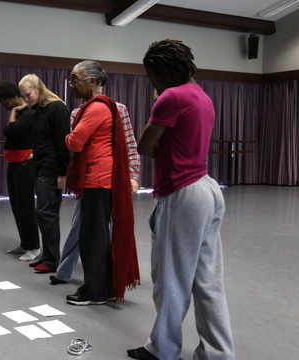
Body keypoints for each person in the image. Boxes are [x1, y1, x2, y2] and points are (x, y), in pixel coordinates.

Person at [127, 39, 235, 360]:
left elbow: (145, 147)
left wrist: (161, 100)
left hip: (182, 192)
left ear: (161, 73)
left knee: (171, 278)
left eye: (151, 78)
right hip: (207, 188)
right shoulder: (202, 95)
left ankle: (162, 350)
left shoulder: (170, 98)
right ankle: (219, 353)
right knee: (208, 281)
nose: (152, 84)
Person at [51, 75, 141, 285]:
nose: (72, 85)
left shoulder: (119, 109)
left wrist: (133, 175)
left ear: (92, 82)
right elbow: (76, 148)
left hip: (111, 177)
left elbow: (129, 144)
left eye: (76, 80)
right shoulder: (77, 112)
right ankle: (66, 272)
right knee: (81, 226)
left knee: (110, 229)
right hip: (89, 178)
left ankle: (110, 277)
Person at [18, 74, 70, 273]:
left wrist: (62, 172)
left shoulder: (56, 107)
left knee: (47, 214)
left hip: (52, 169)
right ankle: (47, 256)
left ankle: (51, 261)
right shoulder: (38, 110)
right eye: (23, 96)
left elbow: (63, 141)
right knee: (44, 214)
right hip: (41, 168)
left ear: (38, 89)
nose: (26, 99)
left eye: (28, 94)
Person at [0, 81, 40, 261]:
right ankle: (25, 243)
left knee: (26, 206)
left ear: (14, 97)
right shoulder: (21, 113)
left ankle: (34, 247)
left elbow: (10, 130)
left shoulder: (27, 113)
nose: (5, 107)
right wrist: (13, 113)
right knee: (16, 205)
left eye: (6, 104)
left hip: (25, 166)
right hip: (14, 165)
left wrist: (13, 113)